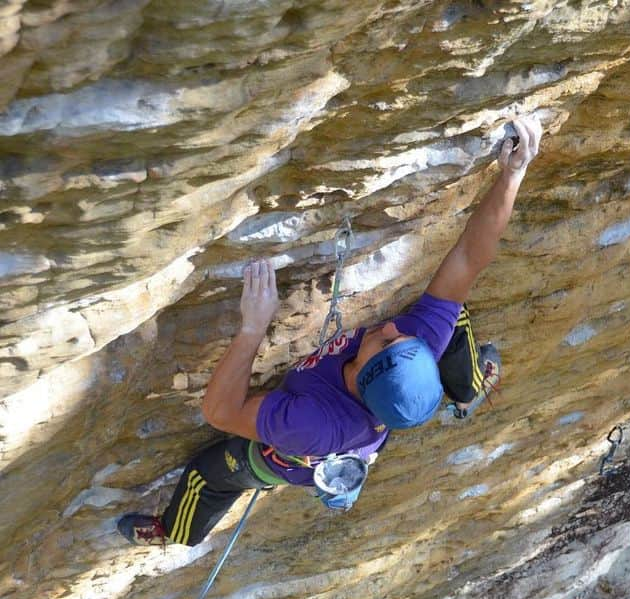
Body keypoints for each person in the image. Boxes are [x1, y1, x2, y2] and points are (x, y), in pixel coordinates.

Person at [118, 117, 543, 547]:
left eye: (385, 340)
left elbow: (221, 413)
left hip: (295, 454)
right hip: (377, 419)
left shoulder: (310, 424)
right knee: (450, 322)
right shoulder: (414, 347)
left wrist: (252, 328)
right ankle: (467, 386)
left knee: (207, 475)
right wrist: (514, 174)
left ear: (361, 372)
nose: (393, 326)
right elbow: (471, 257)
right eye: (401, 337)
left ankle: (174, 532)